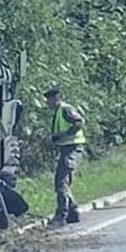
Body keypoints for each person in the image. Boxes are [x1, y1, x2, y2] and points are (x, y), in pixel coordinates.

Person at [44, 87, 86, 227]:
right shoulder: (59, 111)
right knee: (63, 182)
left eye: (49, 100)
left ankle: (61, 216)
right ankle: (73, 213)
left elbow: (79, 123)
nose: (47, 103)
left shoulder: (65, 110)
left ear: (55, 98)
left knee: (61, 182)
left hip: (72, 148)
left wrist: (64, 135)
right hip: (66, 149)